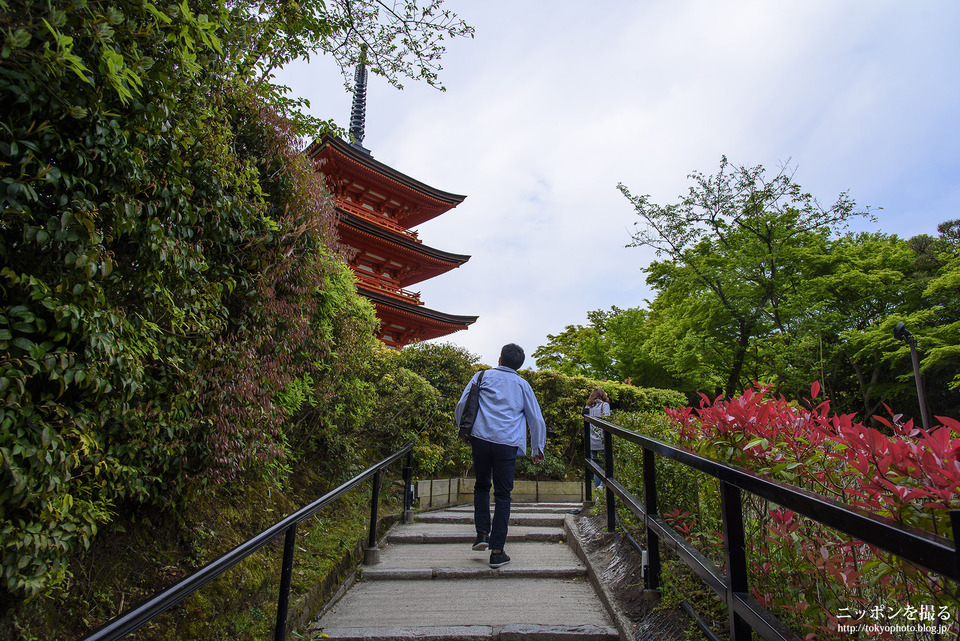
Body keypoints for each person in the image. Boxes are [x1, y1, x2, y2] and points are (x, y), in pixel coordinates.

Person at [454, 343, 546, 569]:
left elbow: (462, 405)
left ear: (499, 359)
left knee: (482, 486)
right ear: (519, 365)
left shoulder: (482, 376)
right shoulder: (522, 384)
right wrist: (537, 448)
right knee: (503, 495)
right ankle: (497, 552)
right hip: (507, 443)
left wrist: (462, 431)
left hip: (481, 439)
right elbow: (536, 419)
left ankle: (482, 534)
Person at [584, 388, 611, 489]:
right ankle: (601, 487)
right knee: (607, 467)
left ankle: (598, 492)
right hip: (602, 441)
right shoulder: (604, 405)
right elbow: (607, 421)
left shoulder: (588, 407)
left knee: (596, 468)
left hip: (591, 441)